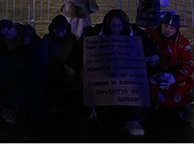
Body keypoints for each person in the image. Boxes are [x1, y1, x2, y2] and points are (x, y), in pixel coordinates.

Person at [65, 9, 158, 137]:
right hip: (103, 75)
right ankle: (96, 114)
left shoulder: (136, 35)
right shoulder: (94, 34)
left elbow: (150, 55)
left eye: (119, 25)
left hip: (126, 77)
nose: (116, 28)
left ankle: (132, 120)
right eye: (113, 25)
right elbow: (78, 52)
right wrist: (73, 67)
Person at [0, 20, 47, 125]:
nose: (9, 35)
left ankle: (10, 109)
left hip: (24, 69)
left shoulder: (26, 38)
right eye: (6, 34)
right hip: (12, 69)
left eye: (11, 32)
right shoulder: (3, 44)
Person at [145, 11, 194, 121]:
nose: (167, 30)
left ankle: (182, 108)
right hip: (151, 71)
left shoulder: (182, 41)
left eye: (171, 28)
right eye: (166, 26)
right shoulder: (150, 34)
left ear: (176, 29)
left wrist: (174, 78)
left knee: (188, 85)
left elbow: (188, 63)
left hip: (172, 74)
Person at [41, 15, 77, 112]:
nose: (60, 33)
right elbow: (44, 57)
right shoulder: (47, 40)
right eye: (57, 30)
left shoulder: (72, 39)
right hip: (52, 72)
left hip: (67, 73)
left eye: (62, 30)